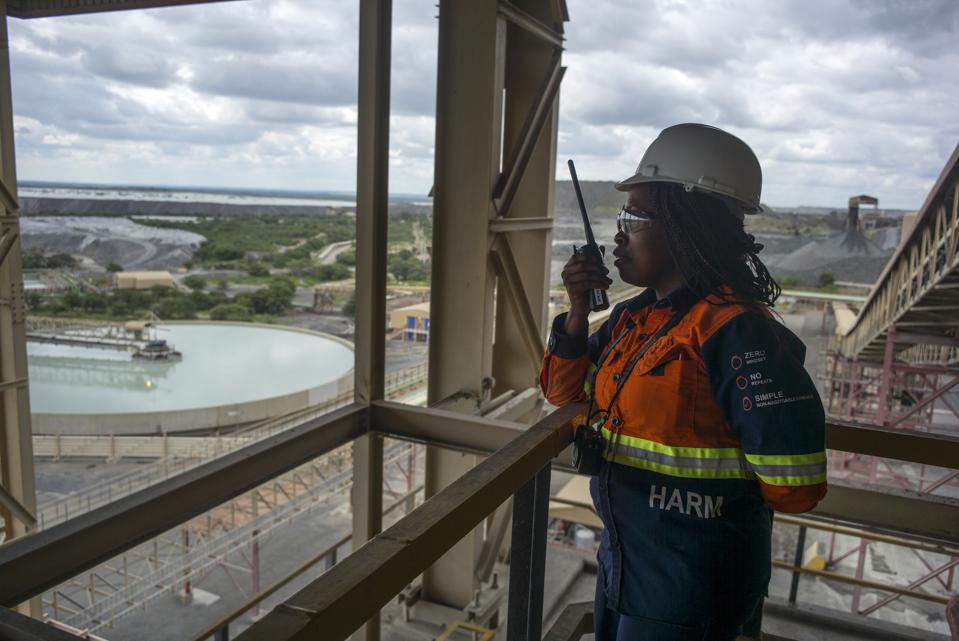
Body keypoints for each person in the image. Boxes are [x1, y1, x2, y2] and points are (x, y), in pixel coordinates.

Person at [539, 124, 827, 640]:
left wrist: (695, 503)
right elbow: (563, 395)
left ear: (686, 223)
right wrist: (578, 314)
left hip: (692, 588)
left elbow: (795, 486)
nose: (618, 235)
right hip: (626, 565)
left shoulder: (738, 333)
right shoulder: (636, 320)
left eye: (634, 216)